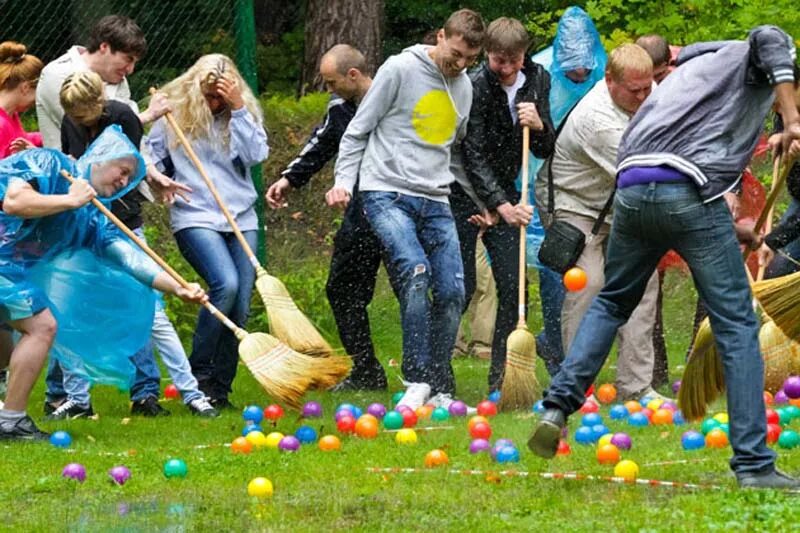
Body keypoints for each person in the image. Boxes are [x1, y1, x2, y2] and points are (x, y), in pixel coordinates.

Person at [529, 25, 800, 490]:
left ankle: (557, 405)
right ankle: (754, 465)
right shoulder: (749, 53)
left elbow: (674, 163)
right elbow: (771, 38)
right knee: (736, 323)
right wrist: (793, 120)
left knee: (614, 301)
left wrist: (732, 227)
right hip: (685, 188)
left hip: (633, 187)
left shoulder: (695, 69)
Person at [0, 127, 206, 441]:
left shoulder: (95, 220)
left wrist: (177, 287)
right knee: (42, 327)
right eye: (123, 171)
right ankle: (11, 422)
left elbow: (131, 260)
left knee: (5, 351)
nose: (124, 182)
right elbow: (14, 201)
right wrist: (69, 200)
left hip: (10, 272)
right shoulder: (51, 164)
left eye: (130, 179)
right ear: (101, 158)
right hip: (5, 267)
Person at [329, 9, 485, 411]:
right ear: (440, 36)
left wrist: (484, 203)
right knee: (415, 273)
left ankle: (440, 387)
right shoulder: (399, 69)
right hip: (385, 191)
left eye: (470, 58)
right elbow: (357, 130)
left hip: (435, 198)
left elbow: (452, 151)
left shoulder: (463, 86)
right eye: (456, 53)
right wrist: (344, 183)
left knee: (453, 289)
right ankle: (417, 379)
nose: (461, 64)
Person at [37, 14, 189, 418]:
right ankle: (70, 397)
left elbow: (127, 154)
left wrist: (154, 175)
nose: (130, 70)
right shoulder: (63, 80)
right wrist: (148, 115)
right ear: (104, 48)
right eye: (126, 59)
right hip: (77, 214)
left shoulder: (115, 92)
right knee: (70, 301)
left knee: (144, 299)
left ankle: (156, 392)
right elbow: (96, 142)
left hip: (120, 214)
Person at [56, 70, 218, 418]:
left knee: (153, 311)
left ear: (98, 101)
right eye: (73, 114)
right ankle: (78, 400)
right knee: (69, 310)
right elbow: (73, 166)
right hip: (82, 225)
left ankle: (193, 395)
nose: (78, 120)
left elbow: (126, 169)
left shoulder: (122, 116)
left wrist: (155, 179)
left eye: (83, 113)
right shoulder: (71, 121)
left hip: (121, 224)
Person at [535, 44, 664, 402]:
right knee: (588, 284)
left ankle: (637, 387)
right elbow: (643, 172)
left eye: (647, 87)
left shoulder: (647, 91)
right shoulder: (596, 120)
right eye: (634, 90)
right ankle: (578, 389)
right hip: (576, 206)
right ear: (609, 81)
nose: (643, 96)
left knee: (642, 286)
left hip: (620, 208)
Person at [148, 54, 269, 410]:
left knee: (241, 304)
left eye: (220, 96)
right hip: (195, 215)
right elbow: (145, 155)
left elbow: (256, 154)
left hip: (241, 216)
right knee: (225, 285)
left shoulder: (240, 112)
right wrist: (158, 178)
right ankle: (198, 375)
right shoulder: (175, 116)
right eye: (208, 97)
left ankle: (220, 387)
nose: (213, 104)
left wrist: (239, 109)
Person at [265, 44, 387, 390]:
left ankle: (423, 377)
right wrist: (288, 180)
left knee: (414, 292)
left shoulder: (394, 98)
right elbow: (320, 146)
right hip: (360, 217)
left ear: (353, 75)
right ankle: (366, 371)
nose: (328, 89)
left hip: (403, 210)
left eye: (332, 82)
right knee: (342, 290)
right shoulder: (340, 110)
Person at [456, 16, 555, 392]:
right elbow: (472, 151)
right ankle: (434, 375)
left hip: (509, 195)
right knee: (460, 287)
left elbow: (547, 148)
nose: (508, 69)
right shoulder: (476, 84)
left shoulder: (538, 79)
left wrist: (541, 124)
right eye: (500, 60)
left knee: (514, 287)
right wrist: (497, 204)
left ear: (524, 54)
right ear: (487, 54)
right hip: (465, 193)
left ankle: (503, 379)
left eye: (514, 60)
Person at [526, 6, 607, 376]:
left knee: (582, 276)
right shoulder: (540, 73)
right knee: (557, 266)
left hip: (593, 189)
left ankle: (555, 343)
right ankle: (558, 351)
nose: (579, 73)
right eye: (572, 67)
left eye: (585, 67)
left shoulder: (607, 78)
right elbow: (528, 141)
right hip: (545, 186)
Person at [0, 42, 43, 158]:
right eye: (36, 94)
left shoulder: (11, 114)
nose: (35, 102)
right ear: (25, 88)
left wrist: (47, 136)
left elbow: (22, 139)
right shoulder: (1, 124)